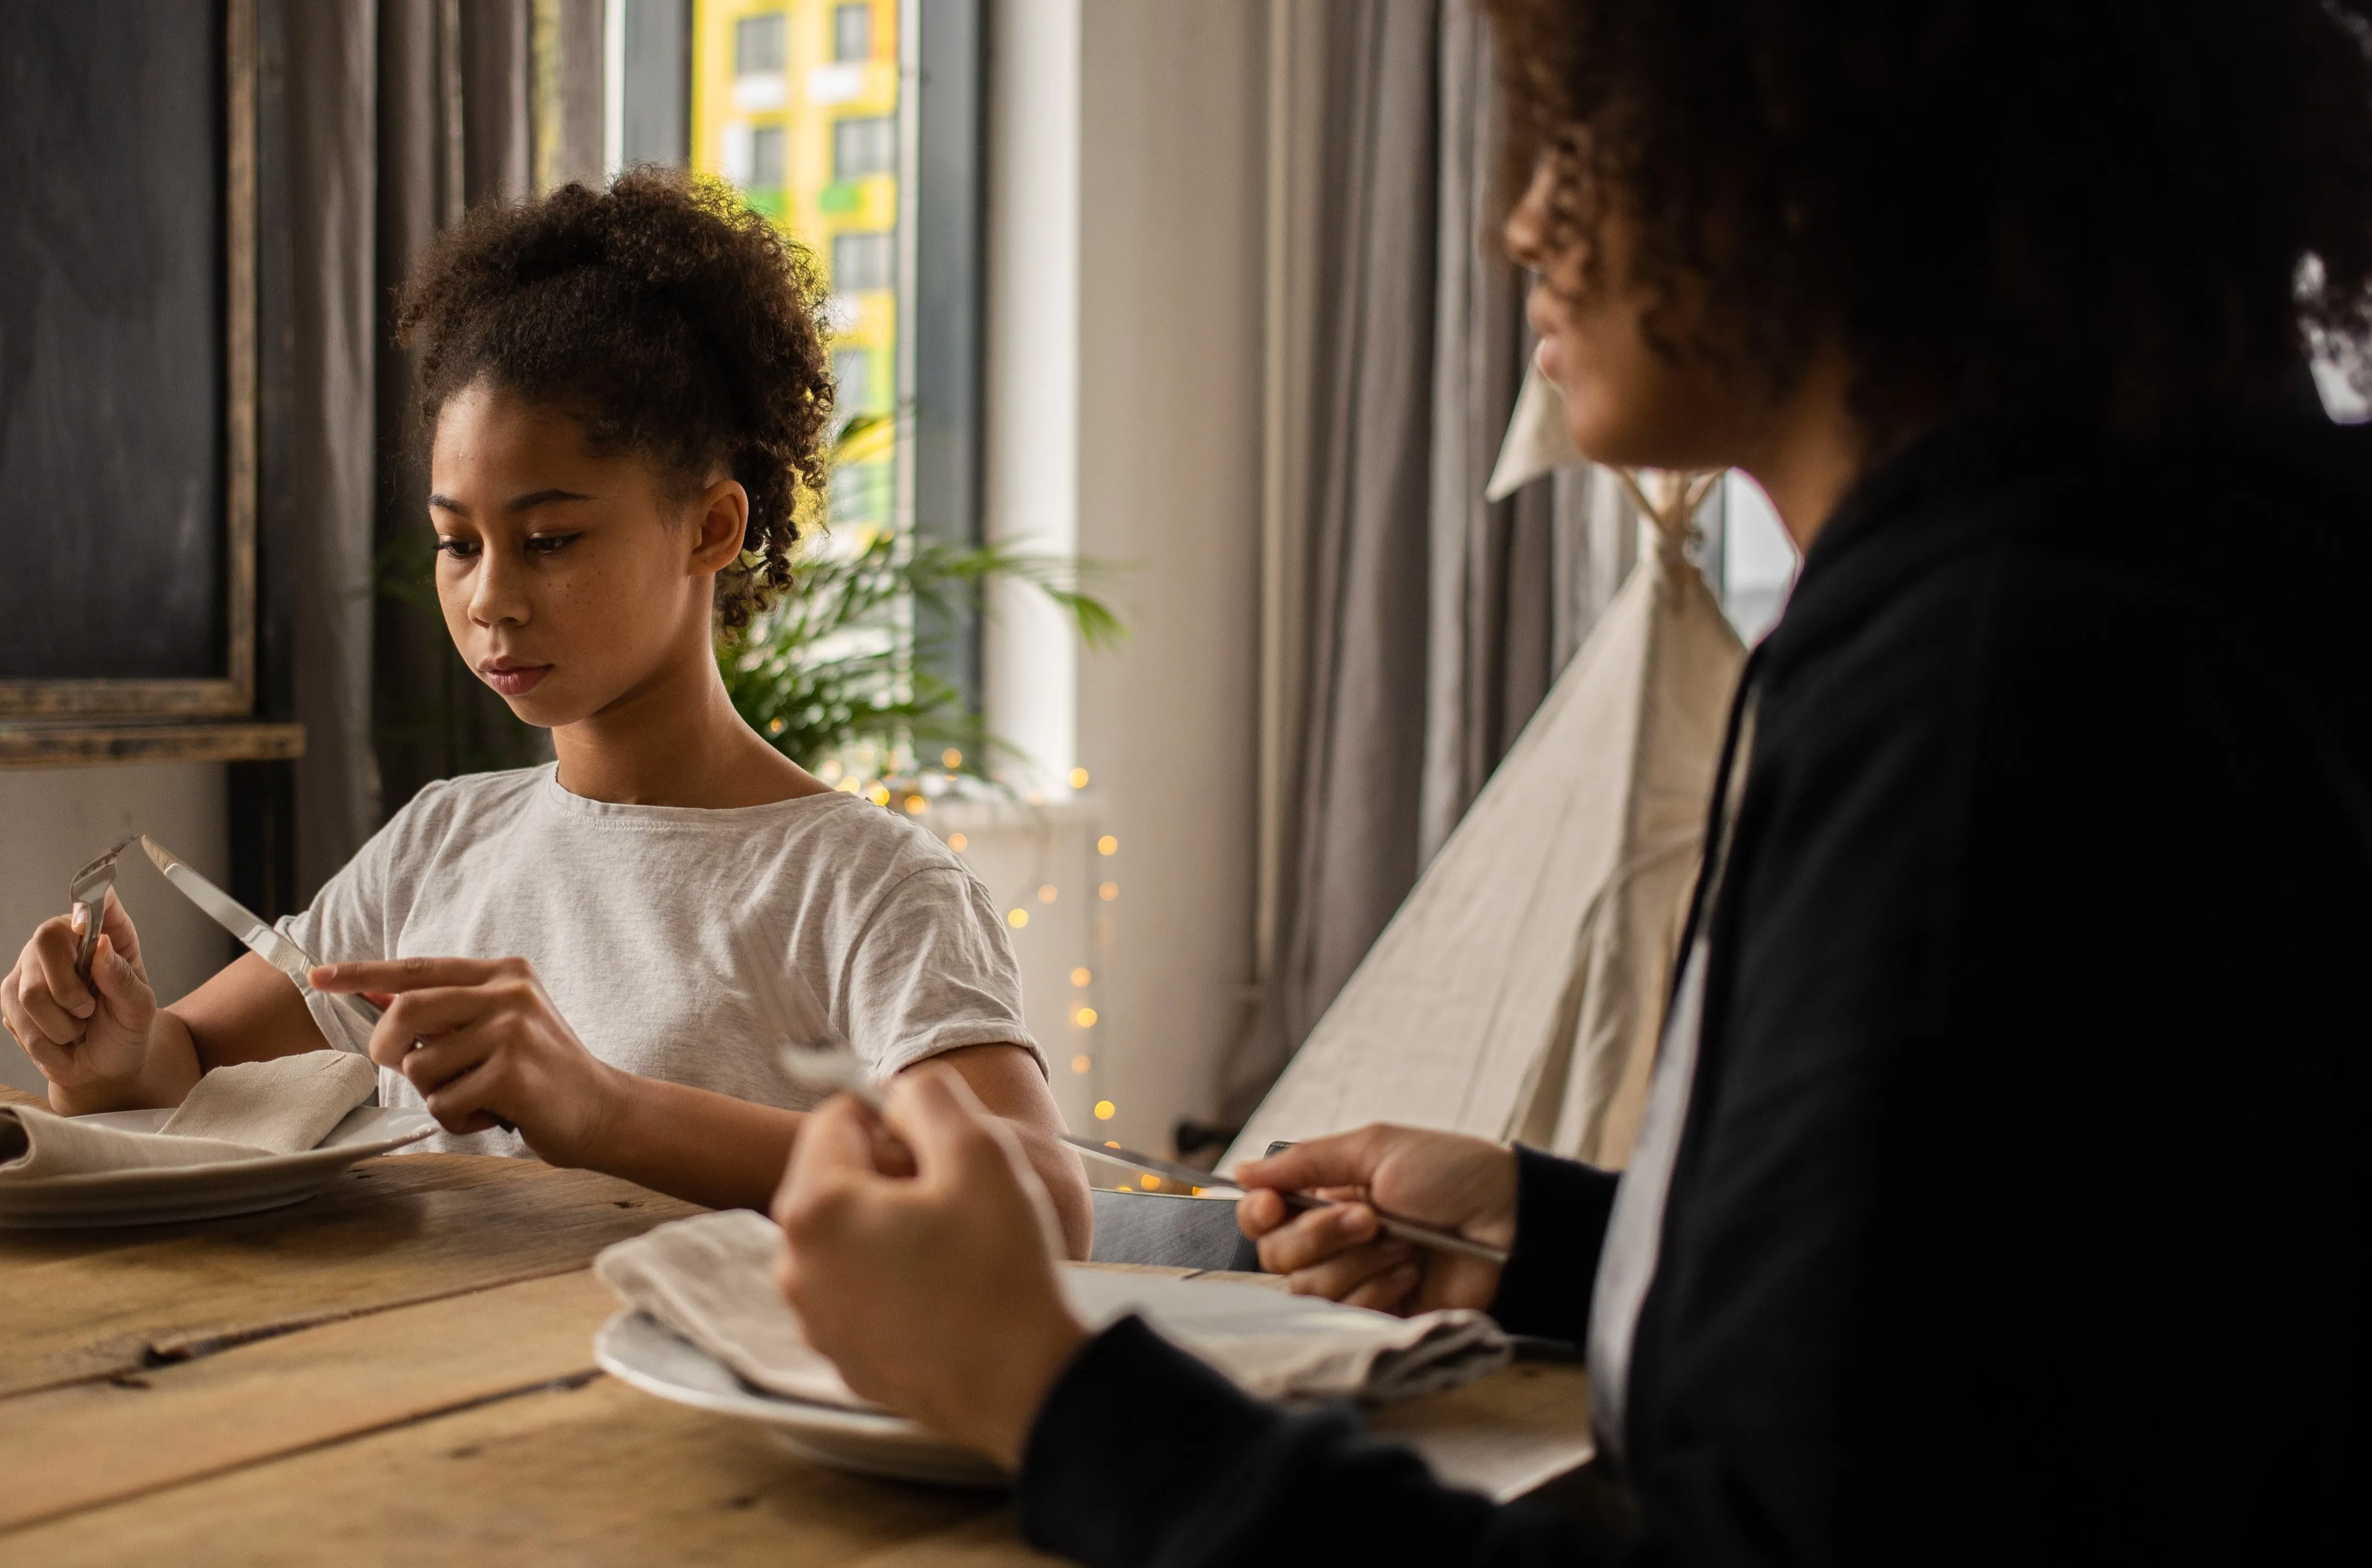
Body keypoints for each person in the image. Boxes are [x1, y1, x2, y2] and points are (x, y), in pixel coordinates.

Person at [771, 1, 2368, 1560]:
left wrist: (1052, 1396)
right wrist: (1556, 1232)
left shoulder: (1995, 696)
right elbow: (2012, 1335)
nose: (1520, 220)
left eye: (1585, 137)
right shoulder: (2158, 573)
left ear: (1819, 143)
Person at [0, 171, 1091, 1251]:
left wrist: (604, 1109)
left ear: (711, 528)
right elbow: (183, 1061)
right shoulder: (442, 843)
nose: (490, 600)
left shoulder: (865, 886)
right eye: (457, 543)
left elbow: (1041, 1205)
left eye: (550, 540)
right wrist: (110, 1049)